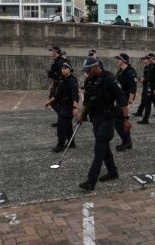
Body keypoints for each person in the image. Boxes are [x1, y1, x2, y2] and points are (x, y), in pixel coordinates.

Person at [77, 58, 131, 191]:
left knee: (99, 149)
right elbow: (87, 101)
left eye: (88, 70)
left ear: (95, 67)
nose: (87, 73)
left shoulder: (109, 79)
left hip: (108, 118)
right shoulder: (89, 80)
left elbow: (122, 100)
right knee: (104, 147)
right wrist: (82, 115)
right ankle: (113, 172)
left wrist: (126, 119)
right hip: (95, 118)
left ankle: (91, 181)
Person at [44, 63, 79, 152]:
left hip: (69, 106)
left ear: (70, 70)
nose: (63, 69)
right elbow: (57, 94)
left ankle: (60, 144)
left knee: (61, 124)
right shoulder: (62, 80)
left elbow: (75, 95)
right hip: (62, 106)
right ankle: (72, 142)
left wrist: (75, 108)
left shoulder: (72, 80)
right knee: (67, 125)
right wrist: (49, 101)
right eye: (62, 68)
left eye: (66, 68)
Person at [114, 53, 137, 151]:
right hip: (119, 100)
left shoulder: (130, 72)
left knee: (119, 122)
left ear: (124, 61)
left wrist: (129, 103)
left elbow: (133, 89)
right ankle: (127, 141)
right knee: (121, 122)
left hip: (125, 101)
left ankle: (127, 141)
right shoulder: (120, 71)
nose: (117, 60)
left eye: (119, 59)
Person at [47, 46, 65, 127]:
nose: (51, 53)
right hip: (56, 84)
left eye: (52, 51)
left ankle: (63, 119)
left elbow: (63, 74)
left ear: (56, 52)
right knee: (54, 102)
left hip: (60, 84)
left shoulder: (60, 61)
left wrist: (53, 75)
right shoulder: (55, 61)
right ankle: (61, 120)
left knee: (55, 101)